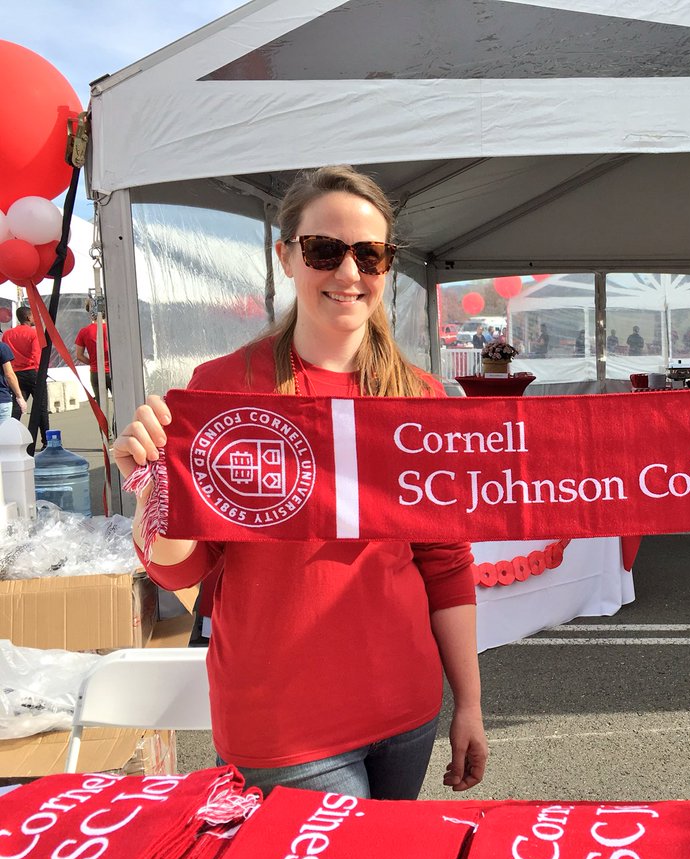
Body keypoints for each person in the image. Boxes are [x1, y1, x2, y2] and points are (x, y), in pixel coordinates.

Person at [113, 165, 488, 800]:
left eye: (369, 255)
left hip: (406, 711)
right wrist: (156, 491)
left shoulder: (419, 396)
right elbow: (180, 572)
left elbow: (445, 562)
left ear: (387, 268)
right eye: (324, 250)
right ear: (286, 257)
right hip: (285, 730)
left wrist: (470, 705)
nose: (348, 273)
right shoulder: (222, 390)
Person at [2, 307, 43, 443]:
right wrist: (41, 374)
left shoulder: (7, 334)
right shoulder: (34, 333)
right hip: (32, 371)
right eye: (33, 316)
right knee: (41, 406)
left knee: (16, 408)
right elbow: (37, 355)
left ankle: (14, 436)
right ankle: (46, 441)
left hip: (16, 373)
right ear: (28, 318)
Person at [74, 313, 112, 399]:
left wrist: (92, 363)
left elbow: (79, 356)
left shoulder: (84, 331)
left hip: (96, 371)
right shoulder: (111, 329)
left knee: (100, 405)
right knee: (120, 403)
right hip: (112, 371)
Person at [0, 338, 26, 421]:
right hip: (2, 398)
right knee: (4, 432)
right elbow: (9, 375)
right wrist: (19, 397)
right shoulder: (2, 347)